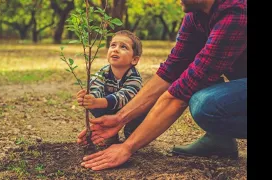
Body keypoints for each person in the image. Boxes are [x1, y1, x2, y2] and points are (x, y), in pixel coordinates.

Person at [77, 0, 247, 171]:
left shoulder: (236, 13)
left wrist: (127, 147)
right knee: (202, 78)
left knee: (206, 104)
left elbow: (179, 95)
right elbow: (171, 70)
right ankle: (219, 139)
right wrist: (119, 118)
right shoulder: (194, 16)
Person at [76, 30, 147, 145]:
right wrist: (90, 98)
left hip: (131, 111)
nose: (115, 49)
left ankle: (133, 135)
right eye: (113, 45)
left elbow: (124, 97)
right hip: (110, 108)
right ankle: (111, 133)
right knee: (93, 103)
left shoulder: (134, 77)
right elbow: (96, 85)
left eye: (123, 47)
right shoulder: (104, 71)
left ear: (134, 59)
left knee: (142, 113)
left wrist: (99, 102)